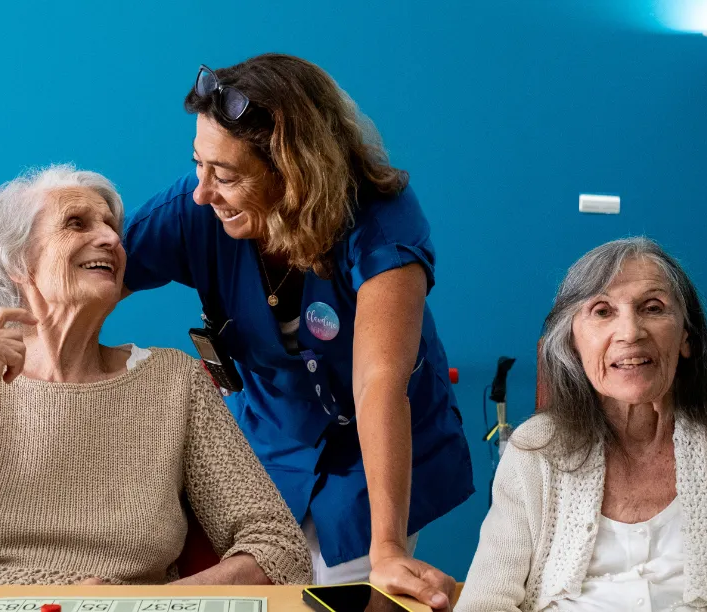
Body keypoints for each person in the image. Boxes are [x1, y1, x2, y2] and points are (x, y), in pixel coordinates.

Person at [0, 164, 312, 586]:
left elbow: (279, 548)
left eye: (110, 226)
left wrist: (145, 608)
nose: (110, 239)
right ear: (19, 262)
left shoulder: (174, 382)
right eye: (76, 224)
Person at [122, 53, 473, 607]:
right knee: (256, 586)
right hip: (272, 441)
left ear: (293, 172)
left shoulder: (382, 219)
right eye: (198, 163)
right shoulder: (197, 210)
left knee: (343, 591)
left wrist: (387, 548)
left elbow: (380, 380)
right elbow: (90, 273)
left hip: (373, 455)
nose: (202, 191)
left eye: (228, 175)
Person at [456, 237, 707, 611]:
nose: (630, 333)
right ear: (573, 342)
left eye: (653, 307)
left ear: (686, 338)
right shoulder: (536, 449)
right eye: (602, 311)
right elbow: (485, 601)